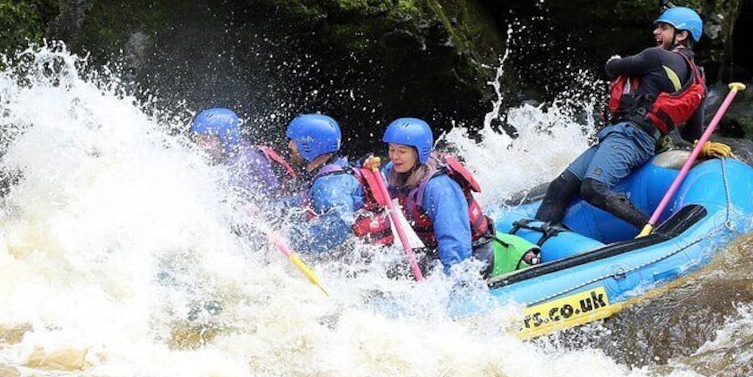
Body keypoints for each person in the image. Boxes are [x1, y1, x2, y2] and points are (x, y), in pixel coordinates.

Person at [535, 5, 730, 230]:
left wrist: (614, 59)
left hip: (629, 137)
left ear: (682, 35)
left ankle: (653, 229)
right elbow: (691, 133)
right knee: (560, 186)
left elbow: (612, 68)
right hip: (632, 139)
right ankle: (536, 238)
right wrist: (704, 148)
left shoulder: (656, 56)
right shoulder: (699, 84)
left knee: (593, 187)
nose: (656, 32)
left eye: (664, 28)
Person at [380, 117, 537, 277]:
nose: (394, 156)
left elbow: (455, 243)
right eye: (391, 149)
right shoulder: (397, 170)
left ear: (419, 152)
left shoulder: (439, 188)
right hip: (438, 252)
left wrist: (453, 286)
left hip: (474, 256)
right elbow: (374, 186)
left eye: (402, 151)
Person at [283, 113, 392, 254]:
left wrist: (289, 239)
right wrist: (267, 212)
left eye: (294, 141)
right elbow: (299, 202)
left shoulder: (330, 185)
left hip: (363, 259)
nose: (290, 145)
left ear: (310, 146)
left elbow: (339, 225)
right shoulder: (338, 167)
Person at [189, 107, 297, 203]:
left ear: (226, 139)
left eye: (207, 139)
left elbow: (269, 201)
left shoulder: (247, 162)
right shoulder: (212, 158)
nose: (201, 145)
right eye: (197, 138)